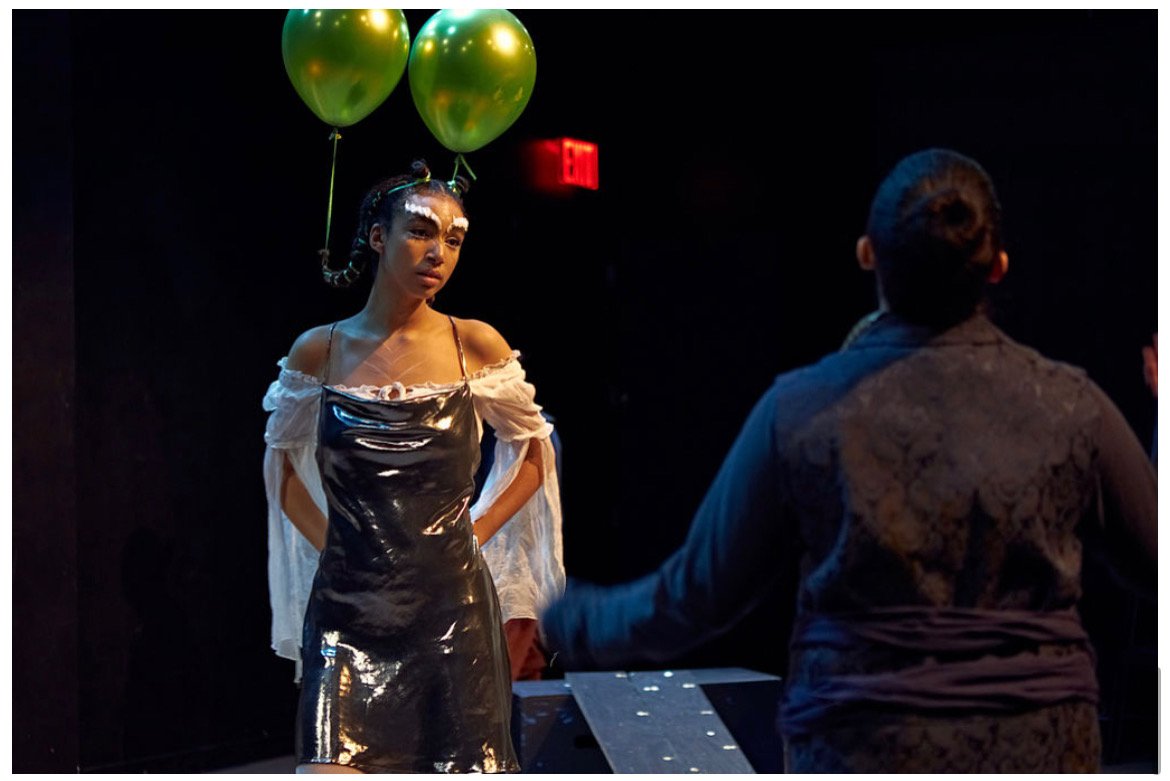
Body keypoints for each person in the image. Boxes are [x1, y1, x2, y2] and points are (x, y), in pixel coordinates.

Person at [540, 149, 1156, 772]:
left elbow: (695, 598)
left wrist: (569, 618)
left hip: (864, 749)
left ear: (868, 254)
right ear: (997, 266)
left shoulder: (801, 410)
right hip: (1040, 750)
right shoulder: (1074, 407)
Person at [262, 160, 563, 773]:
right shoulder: (320, 350)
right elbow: (283, 467)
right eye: (421, 231)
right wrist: (338, 546)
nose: (438, 253)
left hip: (452, 611)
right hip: (349, 611)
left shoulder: (472, 343)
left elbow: (535, 449)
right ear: (378, 236)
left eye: (453, 239)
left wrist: (476, 531)